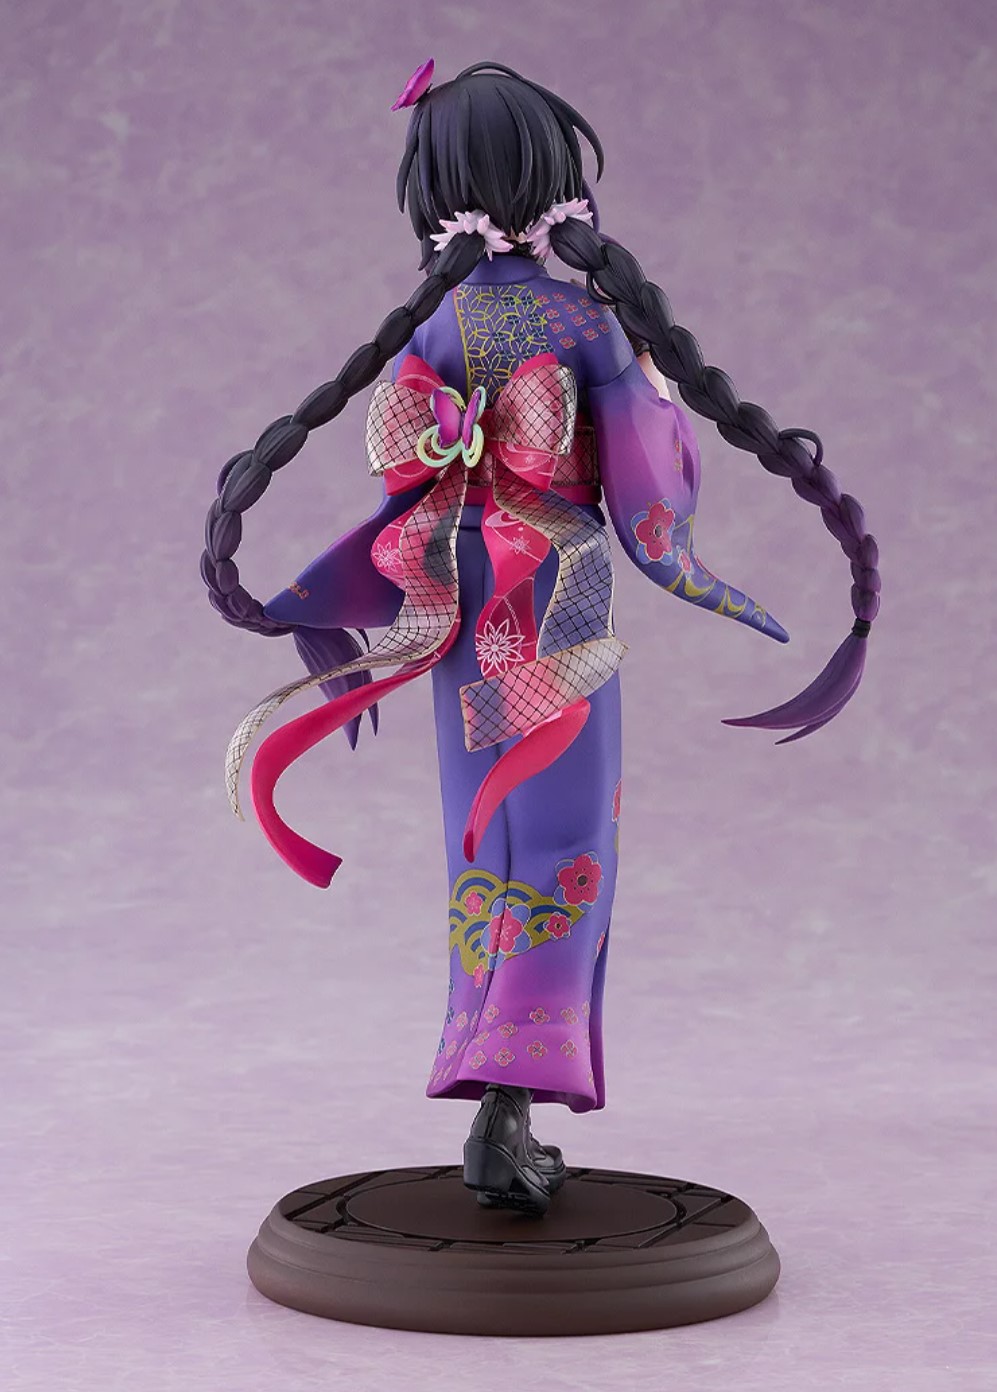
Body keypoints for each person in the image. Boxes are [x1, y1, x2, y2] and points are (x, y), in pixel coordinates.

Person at [200, 59, 880, 1217]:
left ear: (433, 188)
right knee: (565, 837)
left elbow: (407, 466)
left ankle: (486, 1083)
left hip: (453, 586)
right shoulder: (582, 321)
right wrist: (659, 415)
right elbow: (648, 494)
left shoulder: (434, 325)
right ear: (554, 176)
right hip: (556, 588)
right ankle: (507, 1111)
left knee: (483, 835)